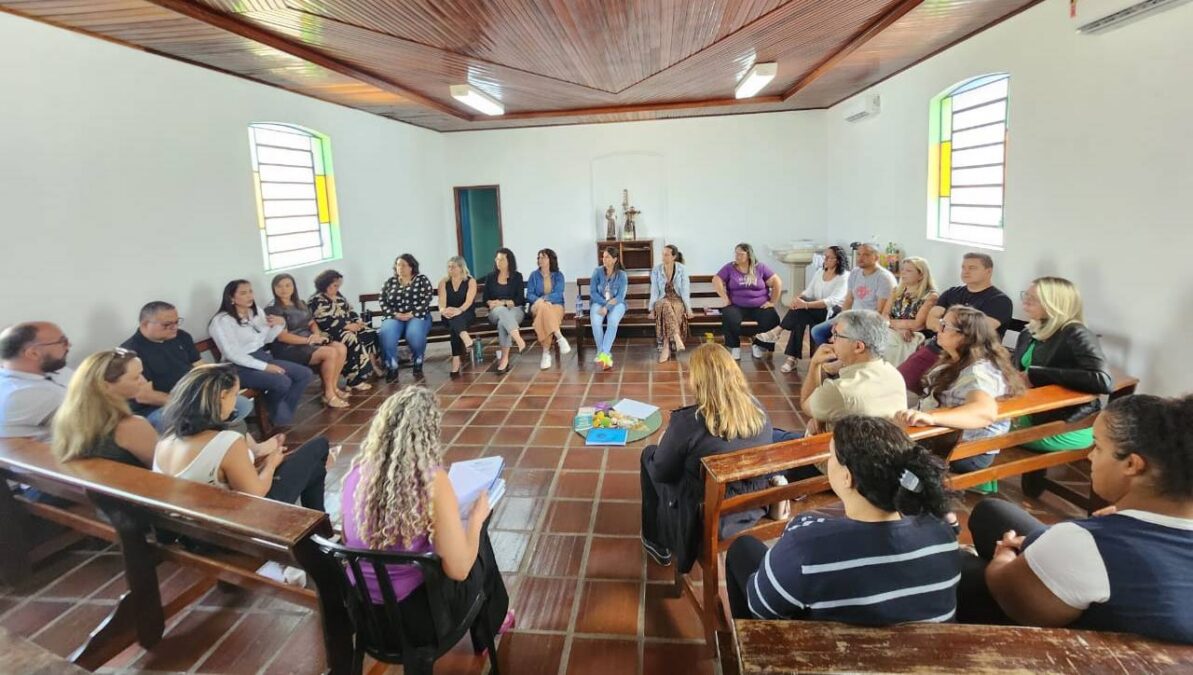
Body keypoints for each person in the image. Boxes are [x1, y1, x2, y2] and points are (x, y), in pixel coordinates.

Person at [961, 394, 1193, 644]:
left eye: (1098, 447)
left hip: (1069, 648)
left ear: (1132, 464)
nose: (1089, 456)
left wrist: (1003, 555)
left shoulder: (1087, 544)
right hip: (1091, 567)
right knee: (992, 512)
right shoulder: (1096, 539)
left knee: (958, 565)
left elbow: (1008, 595)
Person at [725, 416, 960, 623]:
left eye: (830, 456)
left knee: (742, 549)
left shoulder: (807, 544)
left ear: (847, 478)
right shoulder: (942, 530)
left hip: (832, 657)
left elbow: (761, 608)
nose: (828, 461)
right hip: (919, 658)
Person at [340, 386, 514, 644]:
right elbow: (459, 570)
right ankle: (493, 623)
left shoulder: (354, 475)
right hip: (415, 621)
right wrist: (476, 520)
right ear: (429, 434)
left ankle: (494, 619)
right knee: (478, 542)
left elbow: (346, 537)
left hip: (363, 613)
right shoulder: (431, 481)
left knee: (467, 536)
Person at [640, 343, 773, 572]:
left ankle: (656, 541)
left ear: (698, 381)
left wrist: (664, 445)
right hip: (749, 506)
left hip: (703, 513)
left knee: (649, 456)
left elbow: (662, 472)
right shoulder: (758, 411)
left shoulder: (688, 423)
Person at [153, 364, 329, 511]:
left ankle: (319, 533)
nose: (236, 402)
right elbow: (257, 494)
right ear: (222, 396)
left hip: (195, 521)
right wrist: (271, 464)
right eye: (235, 395)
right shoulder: (226, 442)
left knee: (315, 470)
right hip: (239, 522)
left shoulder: (165, 439)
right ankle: (322, 535)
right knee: (319, 446)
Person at [896, 306, 1024, 473]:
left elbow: (984, 412)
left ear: (966, 336)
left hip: (967, 450)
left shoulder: (979, 372)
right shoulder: (956, 358)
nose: (938, 329)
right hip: (947, 436)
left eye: (945, 326)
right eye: (940, 323)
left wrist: (931, 417)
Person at [1012, 277, 1113, 451]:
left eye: (1034, 298)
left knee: (978, 437)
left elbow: (1103, 380)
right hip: (1031, 410)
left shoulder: (1075, 332)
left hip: (1066, 424)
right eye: (1026, 295)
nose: (1026, 300)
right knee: (976, 427)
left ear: (1055, 303)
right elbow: (1016, 370)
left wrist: (1036, 375)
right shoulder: (1030, 331)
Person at [122, 302, 254, 432]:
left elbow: (201, 368)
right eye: (167, 324)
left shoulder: (181, 336)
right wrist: (193, 402)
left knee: (241, 404)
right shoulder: (132, 352)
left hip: (192, 396)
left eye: (176, 321)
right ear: (145, 324)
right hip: (159, 408)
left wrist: (214, 390)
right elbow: (145, 396)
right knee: (209, 417)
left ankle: (231, 445)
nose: (174, 327)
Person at [898, 253, 1014, 391]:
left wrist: (943, 323)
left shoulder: (1000, 301)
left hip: (969, 357)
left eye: (972, 268)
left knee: (938, 391)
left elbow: (975, 331)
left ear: (988, 271)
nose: (965, 271)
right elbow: (930, 321)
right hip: (937, 349)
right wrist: (948, 327)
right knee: (898, 380)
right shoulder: (952, 292)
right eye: (963, 267)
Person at [208, 279, 314, 428]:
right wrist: (265, 367)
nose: (249, 296)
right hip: (237, 367)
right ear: (231, 298)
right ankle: (278, 414)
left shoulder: (255, 311)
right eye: (243, 293)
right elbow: (232, 354)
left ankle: (279, 413)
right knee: (282, 381)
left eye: (250, 291)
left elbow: (267, 339)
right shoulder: (222, 321)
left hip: (261, 356)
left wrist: (280, 324)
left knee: (304, 374)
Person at [800, 309, 906, 434]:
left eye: (836, 335)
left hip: (837, 451)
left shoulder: (839, 390)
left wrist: (815, 364)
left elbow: (806, 403)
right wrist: (820, 414)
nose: (830, 340)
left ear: (858, 347)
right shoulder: (894, 373)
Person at [50, 348, 157, 467]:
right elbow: (165, 469)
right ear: (105, 386)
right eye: (136, 377)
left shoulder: (67, 420)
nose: (144, 381)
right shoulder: (131, 427)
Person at [752, 245, 849, 372]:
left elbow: (832, 301)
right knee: (799, 315)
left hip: (832, 313)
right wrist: (798, 298)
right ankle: (789, 355)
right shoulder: (820, 272)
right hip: (815, 309)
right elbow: (809, 291)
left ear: (838, 259)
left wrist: (806, 305)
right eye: (824, 256)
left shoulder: (844, 276)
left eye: (828, 257)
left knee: (800, 311)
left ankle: (782, 340)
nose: (825, 259)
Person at [266, 273, 352, 409]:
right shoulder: (272, 309)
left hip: (309, 340)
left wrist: (316, 335)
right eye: (279, 286)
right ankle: (328, 394)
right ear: (274, 288)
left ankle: (332, 387)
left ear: (293, 287)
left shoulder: (300, 303)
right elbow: (282, 336)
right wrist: (308, 340)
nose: (284, 289)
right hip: (288, 347)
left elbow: (312, 323)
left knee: (340, 348)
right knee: (330, 353)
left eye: (288, 285)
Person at [808, 243, 896, 352]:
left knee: (841, 337)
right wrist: (841, 320)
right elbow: (849, 300)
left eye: (866, 255)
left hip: (868, 321)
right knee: (817, 331)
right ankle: (839, 359)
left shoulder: (884, 278)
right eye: (858, 254)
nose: (860, 258)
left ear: (876, 257)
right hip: (851, 316)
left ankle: (843, 359)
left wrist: (846, 328)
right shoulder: (855, 272)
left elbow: (879, 311)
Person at [0, 322, 74, 440]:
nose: (69, 345)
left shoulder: (55, 369)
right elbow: (95, 420)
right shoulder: (22, 394)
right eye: (62, 342)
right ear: (33, 353)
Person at [308, 269, 380, 389]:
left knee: (369, 333)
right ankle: (353, 379)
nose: (337, 288)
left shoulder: (339, 296)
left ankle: (371, 368)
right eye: (335, 285)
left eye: (339, 286)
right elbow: (323, 320)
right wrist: (346, 327)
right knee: (351, 339)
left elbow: (350, 310)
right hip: (330, 332)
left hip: (347, 327)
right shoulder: (316, 300)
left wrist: (357, 321)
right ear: (326, 284)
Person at [713, 243, 782, 361]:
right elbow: (716, 279)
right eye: (736, 253)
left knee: (772, 318)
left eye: (741, 254)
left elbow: (777, 282)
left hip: (759, 305)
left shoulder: (760, 267)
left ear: (749, 255)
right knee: (729, 316)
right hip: (736, 305)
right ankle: (734, 347)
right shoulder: (730, 267)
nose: (737, 256)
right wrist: (725, 298)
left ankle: (759, 345)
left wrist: (772, 302)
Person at [378, 254, 435, 380]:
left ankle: (418, 359)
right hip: (395, 316)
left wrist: (412, 313)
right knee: (386, 333)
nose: (400, 268)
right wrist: (395, 314)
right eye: (398, 265)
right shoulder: (390, 282)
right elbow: (382, 300)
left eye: (404, 265)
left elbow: (428, 297)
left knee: (414, 334)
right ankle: (392, 365)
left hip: (417, 315)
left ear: (411, 267)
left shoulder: (421, 279)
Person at [883, 257, 939, 367]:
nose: (903, 273)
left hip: (915, 334)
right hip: (894, 330)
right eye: (902, 269)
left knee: (888, 343)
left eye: (908, 270)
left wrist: (891, 324)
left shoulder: (931, 296)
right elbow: (884, 315)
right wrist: (898, 329)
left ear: (921, 275)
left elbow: (917, 324)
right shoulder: (896, 291)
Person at [526, 248, 571, 370]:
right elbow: (529, 294)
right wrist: (541, 301)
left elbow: (558, 293)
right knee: (543, 308)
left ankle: (546, 353)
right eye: (539, 257)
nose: (540, 260)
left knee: (545, 313)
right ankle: (559, 337)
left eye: (543, 257)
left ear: (550, 259)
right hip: (537, 306)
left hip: (556, 306)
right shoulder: (533, 275)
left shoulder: (558, 275)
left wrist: (544, 299)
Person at [484, 248, 527, 374]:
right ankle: (518, 339)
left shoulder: (517, 277)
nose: (498, 262)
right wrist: (491, 303)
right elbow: (485, 298)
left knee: (503, 323)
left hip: (515, 309)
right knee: (501, 311)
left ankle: (504, 359)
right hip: (495, 312)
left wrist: (502, 303)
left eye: (502, 259)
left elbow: (520, 299)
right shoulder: (490, 277)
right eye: (497, 259)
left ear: (509, 261)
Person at [649, 244, 693, 363]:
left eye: (667, 255)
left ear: (674, 256)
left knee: (670, 308)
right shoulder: (656, 270)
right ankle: (676, 337)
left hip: (677, 300)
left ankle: (666, 346)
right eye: (663, 254)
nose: (663, 257)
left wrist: (688, 309)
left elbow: (685, 290)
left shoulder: (682, 269)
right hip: (661, 299)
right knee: (665, 304)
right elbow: (654, 291)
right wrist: (652, 309)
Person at [438, 256, 479, 377]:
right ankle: (466, 338)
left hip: (466, 313)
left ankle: (456, 360)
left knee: (454, 324)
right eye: (449, 267)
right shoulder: (444, 282)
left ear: (461, 268)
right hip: (448, 315)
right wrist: (443, 310)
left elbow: (468, 301)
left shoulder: (470, 281)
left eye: (453, 267)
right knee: (453, 320)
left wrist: (459, 310)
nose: (450, 269)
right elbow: (442, 302)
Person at [589, 247, 629, 371]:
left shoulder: (622, 275)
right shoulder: (597, 271)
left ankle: (603, 353)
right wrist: (604, 303)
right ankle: (604, 355)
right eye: (603, 256)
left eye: (607, 257)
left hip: (617, 304)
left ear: (615, 259)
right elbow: (593, 292)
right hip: (598, 301)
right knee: (596, 322)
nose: (604, 259)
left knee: (612, 321)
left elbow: (620, 296)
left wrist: (608, 307)